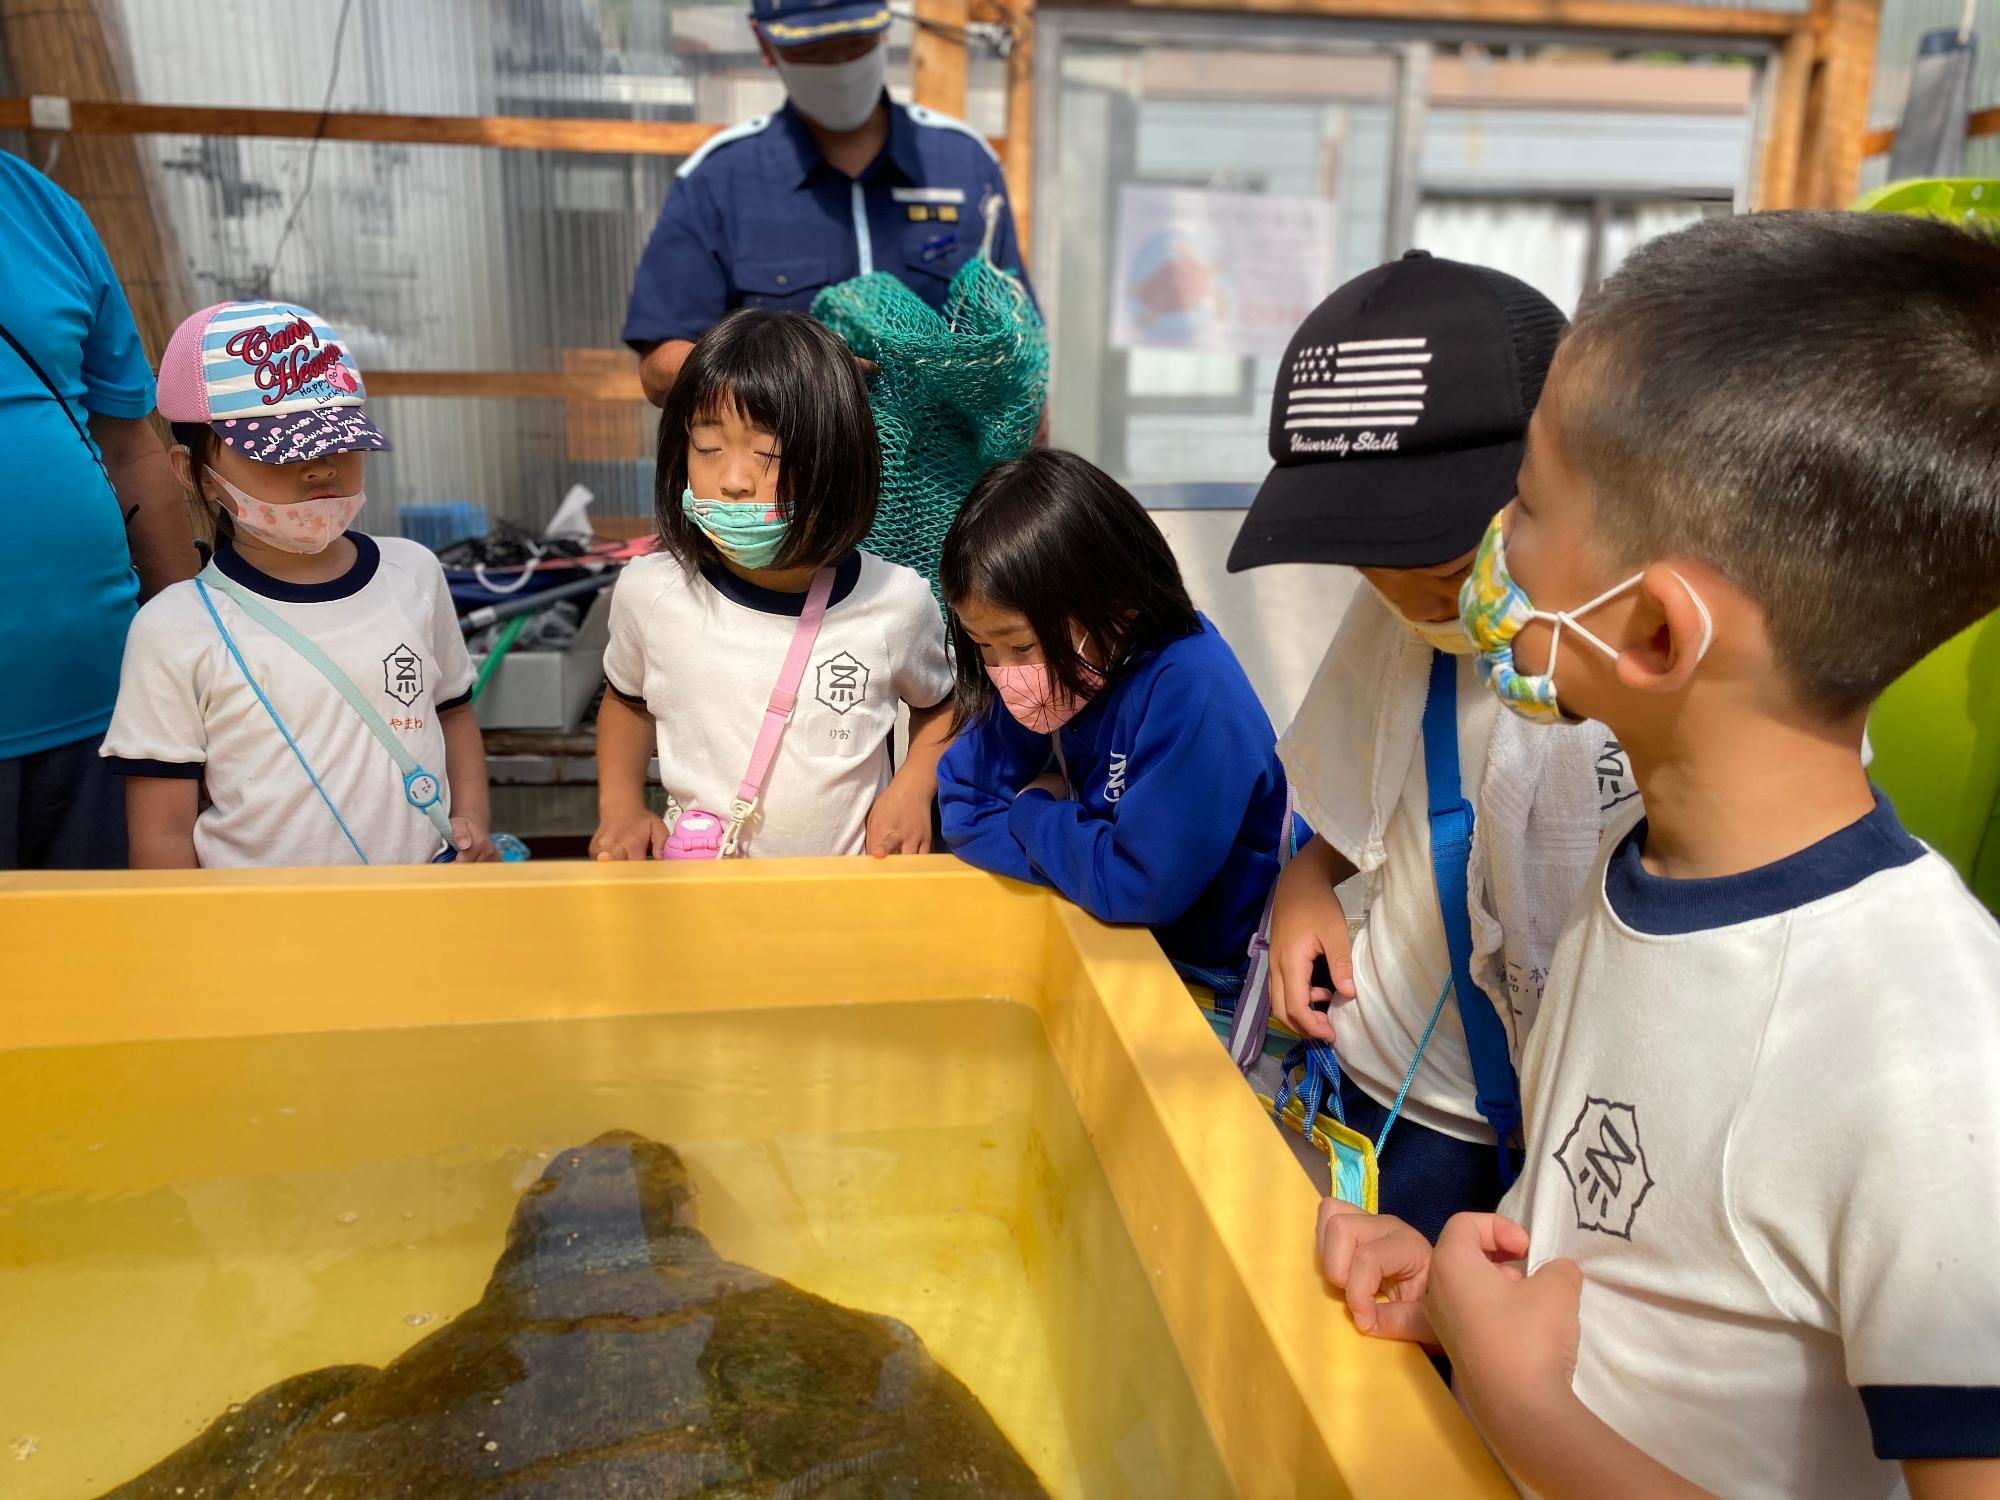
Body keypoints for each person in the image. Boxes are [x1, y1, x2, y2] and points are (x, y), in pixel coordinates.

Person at [1320, 212, 2000, 1500]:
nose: (1492, 545)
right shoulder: (1634, 878)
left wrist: (1529, 1418)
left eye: (1523, 501)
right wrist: (1459, 1315)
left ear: (1647, 633)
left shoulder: (1934, 1056)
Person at [1227, 252, 1621, 1240]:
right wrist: (1304, 880)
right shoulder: (1398, 616)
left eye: (1444, 567)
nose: (1408, 596)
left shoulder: (1635, 646)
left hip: (1585, 1138)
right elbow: (1348, 785)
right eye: (1372, 555)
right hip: (1402, 1091)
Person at [101, 301, 496, 868]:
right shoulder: (174, 630)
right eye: (280, 451)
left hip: (424, 915)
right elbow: (161, 835)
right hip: (260, 939)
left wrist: (474, 823)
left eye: (337, 440)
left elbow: (453, 713)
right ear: (193, 473)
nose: (319, 467)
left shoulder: (413, 573)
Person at [592, 308, 951, 859]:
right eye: (708, 448)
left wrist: (912, 786)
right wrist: (620, 807)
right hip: (704, 906)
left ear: (839, 461)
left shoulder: (895, 602)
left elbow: (943, 704)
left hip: (845, 913)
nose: (733, 481)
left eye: (770, 454)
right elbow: (628, 700)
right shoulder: (650, 592)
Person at [936, 449, 1290, 979]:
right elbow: (963, 807)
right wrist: (1086, 867)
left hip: (1218, 973)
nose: (1002, 671)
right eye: (982, 647)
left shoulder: (1193, 686)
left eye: (1018, 646)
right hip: (1116, 952)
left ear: (1118, 605)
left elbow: (1139, 887)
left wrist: (1032, 809)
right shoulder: (1054, 670)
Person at [622, 0, 1032, 405]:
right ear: (764, 43)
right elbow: (660, 369)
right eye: (812, 51)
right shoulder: (717, 181)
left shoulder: (964, 164)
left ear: (884, 26)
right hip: (789, 468)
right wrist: (788, 378)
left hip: (946, 469)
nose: (839, 68)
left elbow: (1023, 344)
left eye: (856, 43)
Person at [0, 151, 198, 869]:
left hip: (105, 710)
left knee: (109, 970)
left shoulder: (44, 209)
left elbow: (130, 445)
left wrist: (193, 649)